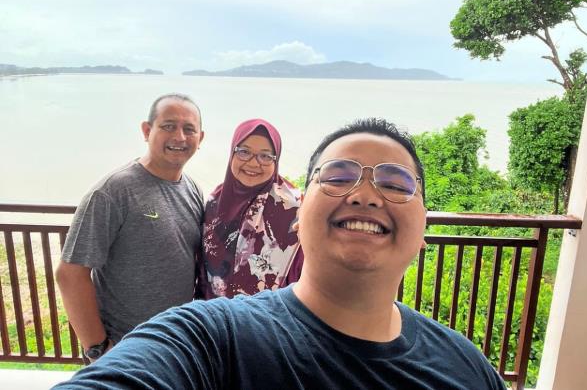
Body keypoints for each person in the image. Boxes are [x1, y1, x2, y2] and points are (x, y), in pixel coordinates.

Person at [54, 118, 506, 389]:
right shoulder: (210, 342)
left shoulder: (468, 367)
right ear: (302, 210)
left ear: (424, 226)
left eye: (394, 183)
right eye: (338, 176)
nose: (366, 195)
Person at [55, 93, 205, 362]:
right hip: (125, 349)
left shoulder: (192, 189)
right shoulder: (113, 192)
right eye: (168, 126)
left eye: (189, 129)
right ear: (147, 131)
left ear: (200, 139)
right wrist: (98, 349)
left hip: (173, 343)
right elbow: (70, 273)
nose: (180, 137)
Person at [197, 118, 302, 299]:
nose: (254, 163)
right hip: (215, 317)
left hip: (271, 319)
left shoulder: (295, 208)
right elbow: (202, 271)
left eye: (265, 156)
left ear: (276, 160)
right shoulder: (215, 202)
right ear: (232, 153)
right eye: (244, 152)